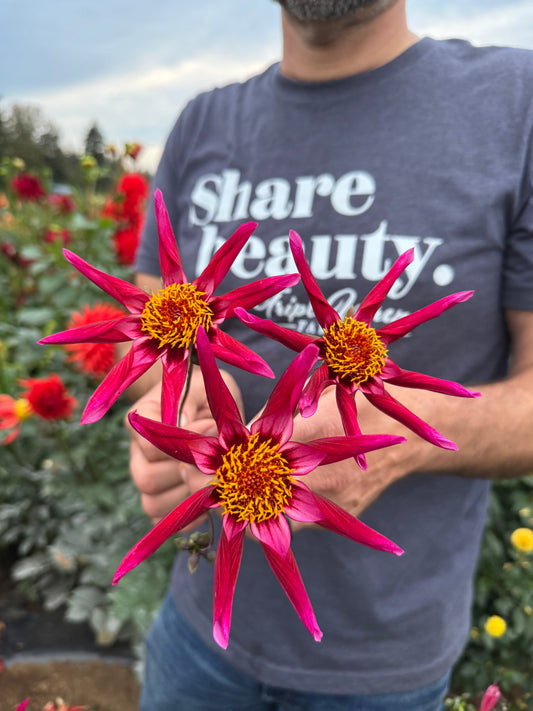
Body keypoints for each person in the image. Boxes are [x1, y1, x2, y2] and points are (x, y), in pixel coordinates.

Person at [125, 1, 533, 709]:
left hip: (382, 665)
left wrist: (403, 434)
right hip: (196, 635)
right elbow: (150, 338)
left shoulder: (516, 104)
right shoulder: (201, 122)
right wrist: (162, 413)